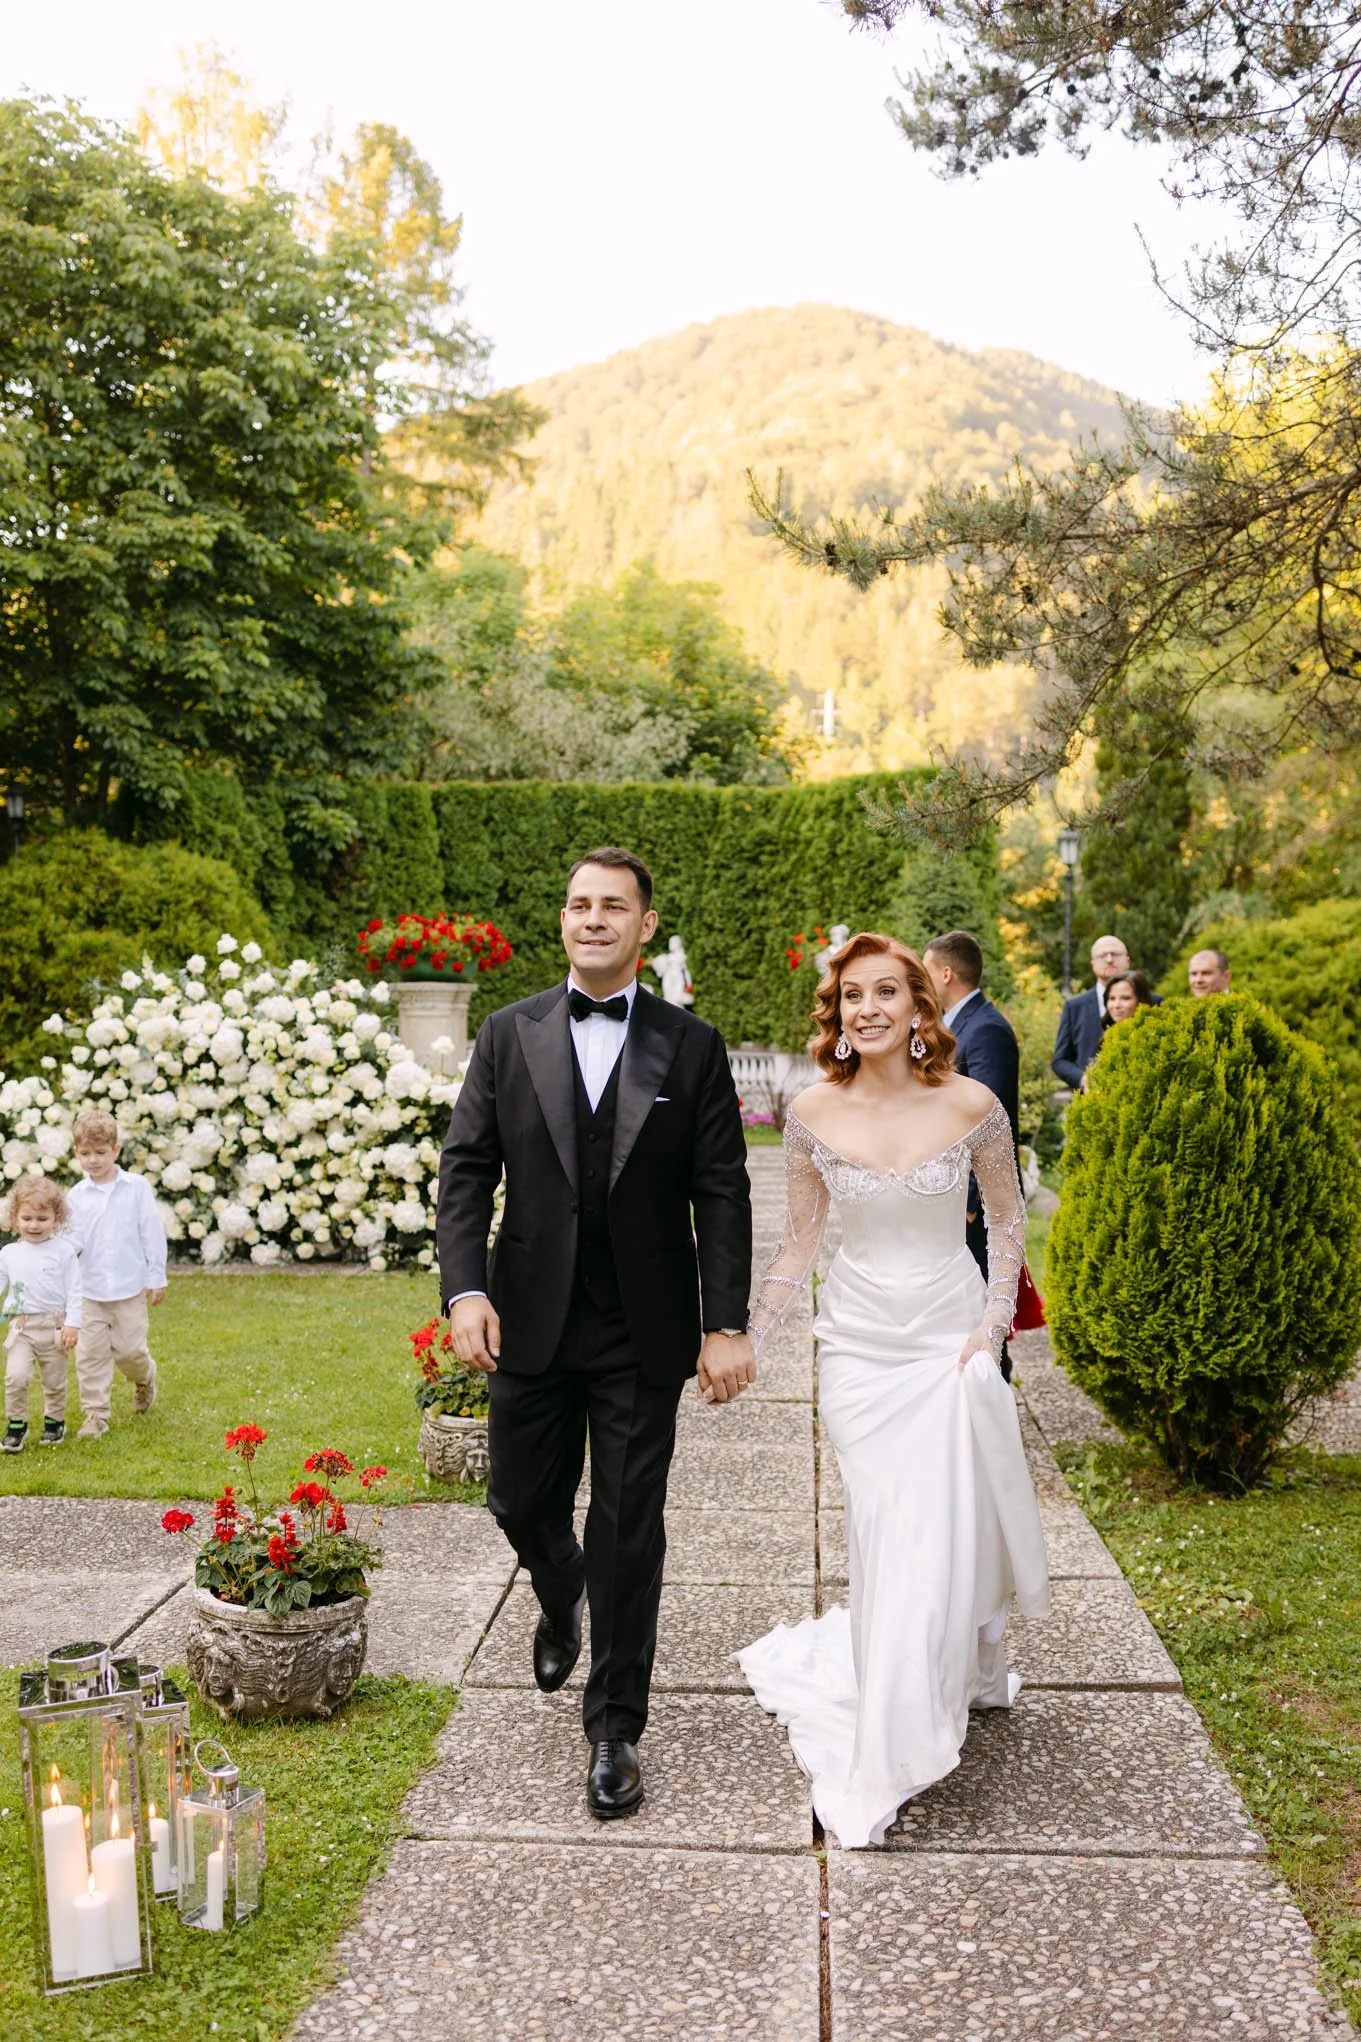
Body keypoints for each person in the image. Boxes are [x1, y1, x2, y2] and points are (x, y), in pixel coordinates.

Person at [437, 847, 754, 1820]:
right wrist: (464, 1291)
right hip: (527, 1317)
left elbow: (720, 1188)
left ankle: (614, 1723)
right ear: (563, 919)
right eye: (578, 903)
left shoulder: (690, 1045)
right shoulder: (506, 1032)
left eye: (613, 905)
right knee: (517, 1499)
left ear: (644, 925)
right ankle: (555, 1578)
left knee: (627, 1528)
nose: (593, 918)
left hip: (641, 1331)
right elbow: (465, 1169)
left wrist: (725, 1321)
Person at [738, 933, 1049, 1850]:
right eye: (851, 996)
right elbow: (799, 1246)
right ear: (835, 1014)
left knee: (937, 1529)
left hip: (945, 1345)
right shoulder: (808, 1114)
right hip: (860, 1356)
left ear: (921, 1007)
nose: (868, 1008)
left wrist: (988, 1331)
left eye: (887, 992)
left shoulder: (971, 1105)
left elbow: (1006, 1219)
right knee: (889, 1527)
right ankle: (899, 1712)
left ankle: (896, 1738)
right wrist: (748, 1336)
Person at [922, 931, 1021, 1382]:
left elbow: (990, 1126)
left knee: (983, 1309)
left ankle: (992, 1394)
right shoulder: (957, 1026)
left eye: (926, 971)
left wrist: (970, 1201)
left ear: (945, 973)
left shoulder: (987, 1031)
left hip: (973, 1207)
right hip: (948, 1197)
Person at [67, 1110, 166, 1440]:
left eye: (100, 1153)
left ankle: (144, 1377)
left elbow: (151, 1232)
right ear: (76, 1152)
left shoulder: (136, 1188)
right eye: (85, 1154)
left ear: (116, 1150)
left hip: (129, 1288)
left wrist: (156, 1276)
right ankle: (95, 1415)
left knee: (129, 1351)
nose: (93, 1160)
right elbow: (70, 1243)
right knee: (90, 1355)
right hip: (89, 1290)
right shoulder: (76, 1196)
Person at [1, 1176, 81, 1452]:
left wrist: (73, 1324)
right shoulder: (9, 1253)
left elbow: (75, 1290)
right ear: (15, 1218)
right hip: (22, 1329)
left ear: (56, 1219)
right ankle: (16, 1424)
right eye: (27, 1218)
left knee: (54, 1380)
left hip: (54, 1327)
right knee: (16, 1376)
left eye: (42, 1218)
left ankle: (54, 1422)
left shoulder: (63, 1252)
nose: (34, 1225)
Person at [1052, 934, 1131, 1088]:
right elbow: (1060, 1060)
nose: (1109, 959)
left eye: (1115, 954)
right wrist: (1083, 1079)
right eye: (1102, 955)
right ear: (1093, 964)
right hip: (1090, 1101)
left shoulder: (1153, 1002)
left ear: (1128, 960)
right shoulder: (1074, 1007)